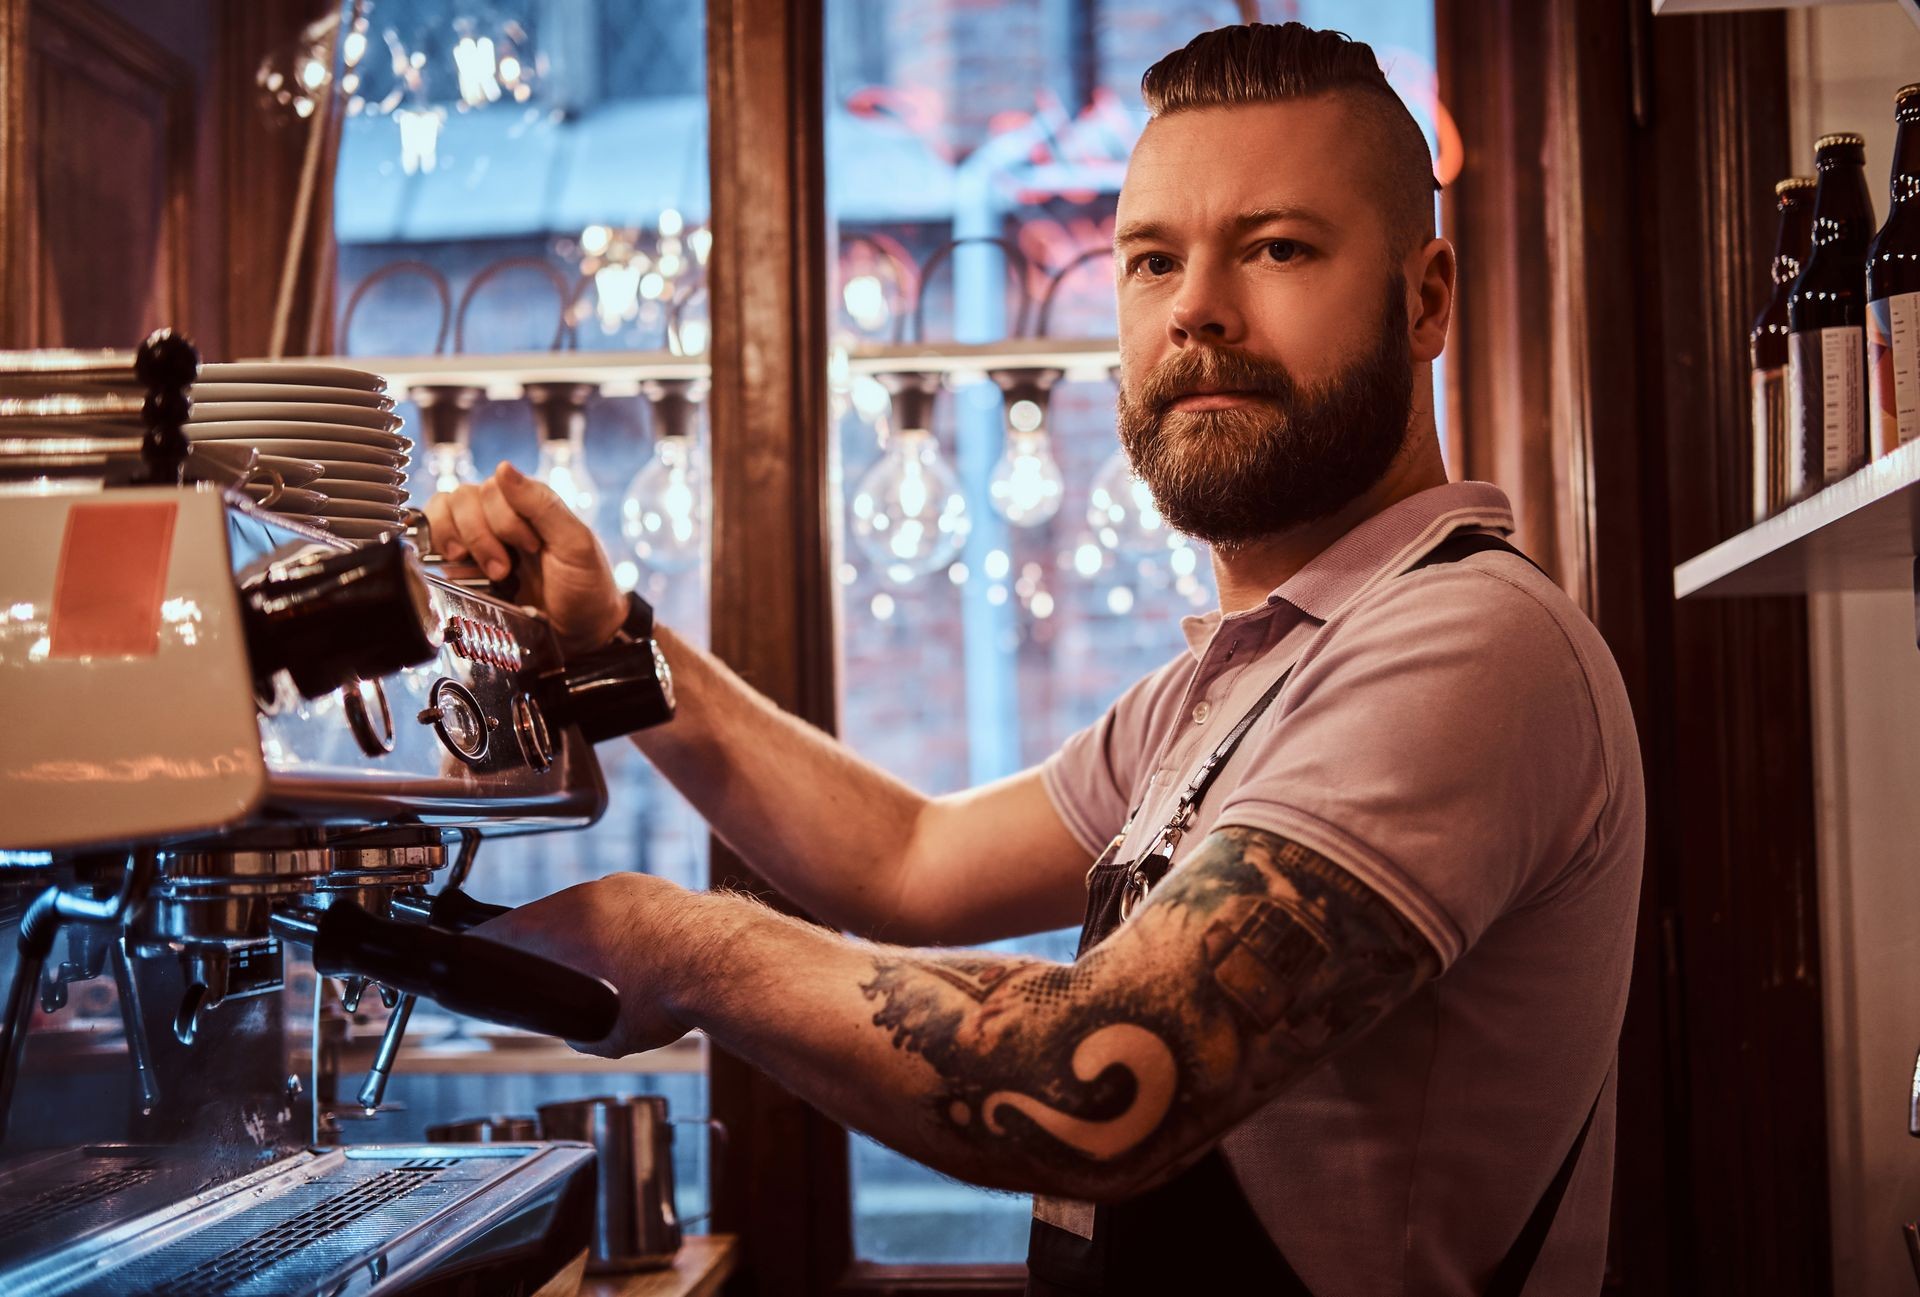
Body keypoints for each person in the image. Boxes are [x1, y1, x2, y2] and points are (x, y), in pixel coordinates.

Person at [428, 22, 1644, 1296]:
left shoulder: (1469, 646)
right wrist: (613, 642)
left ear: (1426, 296)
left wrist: (682, 947)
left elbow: (1101, 1079)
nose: (1198, 311)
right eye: (1152, 260)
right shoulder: (1232, 684)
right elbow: (906, 861)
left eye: (1278, 248)